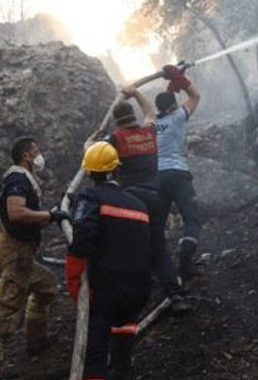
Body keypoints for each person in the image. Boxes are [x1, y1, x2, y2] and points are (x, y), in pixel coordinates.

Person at [84, 85, 191, 313]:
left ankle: (126, 297)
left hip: (129, 201)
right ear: (133, 117)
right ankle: (176, 296)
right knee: (159, 249)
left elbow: (92, 157)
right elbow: (150, 112)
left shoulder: (115, 139)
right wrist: (136, 93)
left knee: (126, 248)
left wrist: (88, 143)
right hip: (155, 199)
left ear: (116, 121)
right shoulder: (148, 132)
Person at [0, 137, 70, 380]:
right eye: (37, 151)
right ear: (26, 156)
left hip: (22, 253)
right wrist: (49, 215)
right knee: (3, 315)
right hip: (16, 254)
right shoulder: (18, 178)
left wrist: (50, 215)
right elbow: (16, 213)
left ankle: (36, 342)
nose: (40, 156)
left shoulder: (22, 178)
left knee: (47, 286)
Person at [66, 142, 158, 380]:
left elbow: (83, 239)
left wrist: (74, 279)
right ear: (116, 170)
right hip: (138, 289)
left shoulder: (90, 196)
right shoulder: (139, 205)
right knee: (122, 352)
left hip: (107, 288)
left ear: (89, 173)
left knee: (94, 353)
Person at [154, 65, 204, 280]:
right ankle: (186, 257)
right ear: (174, 106)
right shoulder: (178, 117)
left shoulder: (152, 124)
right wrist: (181, 79)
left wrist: (172, 84)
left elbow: (168, 103)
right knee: (192, 218)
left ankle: (157, 264)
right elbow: (195, 95)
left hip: (157, 177)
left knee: (157, 224)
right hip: (178, 174)